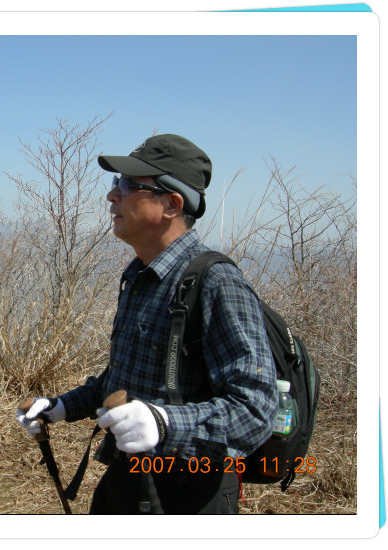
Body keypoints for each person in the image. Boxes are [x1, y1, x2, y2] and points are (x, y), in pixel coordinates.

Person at [16, 133, 278, 514]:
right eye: (114, 183)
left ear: (172, 204)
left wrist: (165, 423)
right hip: (126, 484)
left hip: (189, 497)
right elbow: (122, 380)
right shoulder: (140, 275)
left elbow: (256, 410)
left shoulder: (217, 283)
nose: (112, 195)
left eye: (127, 184)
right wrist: (59, 407)